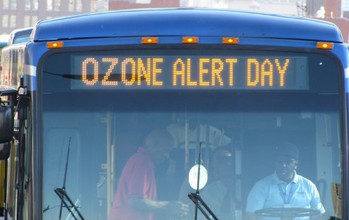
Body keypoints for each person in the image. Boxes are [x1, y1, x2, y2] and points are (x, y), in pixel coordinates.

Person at [108, 129, 190, 220]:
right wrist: (168, 207)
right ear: (154, 144)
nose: (167, 156)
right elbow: (136, 201)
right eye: (165, 150)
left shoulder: (142, 161)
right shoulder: (142, 162)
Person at [245, 142, 325, 220]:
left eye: (288, 162)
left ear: (296, 164)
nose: (283, 165)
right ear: (275, 163)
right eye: (280, 161)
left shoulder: (309, 186)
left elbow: (319, 214)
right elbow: (251, 214)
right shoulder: (261, 186)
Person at [200, 146, 236, 220]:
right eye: (215, 161)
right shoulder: (208, 191)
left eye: (223, 160)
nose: (216, 164)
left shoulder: (244, 190)